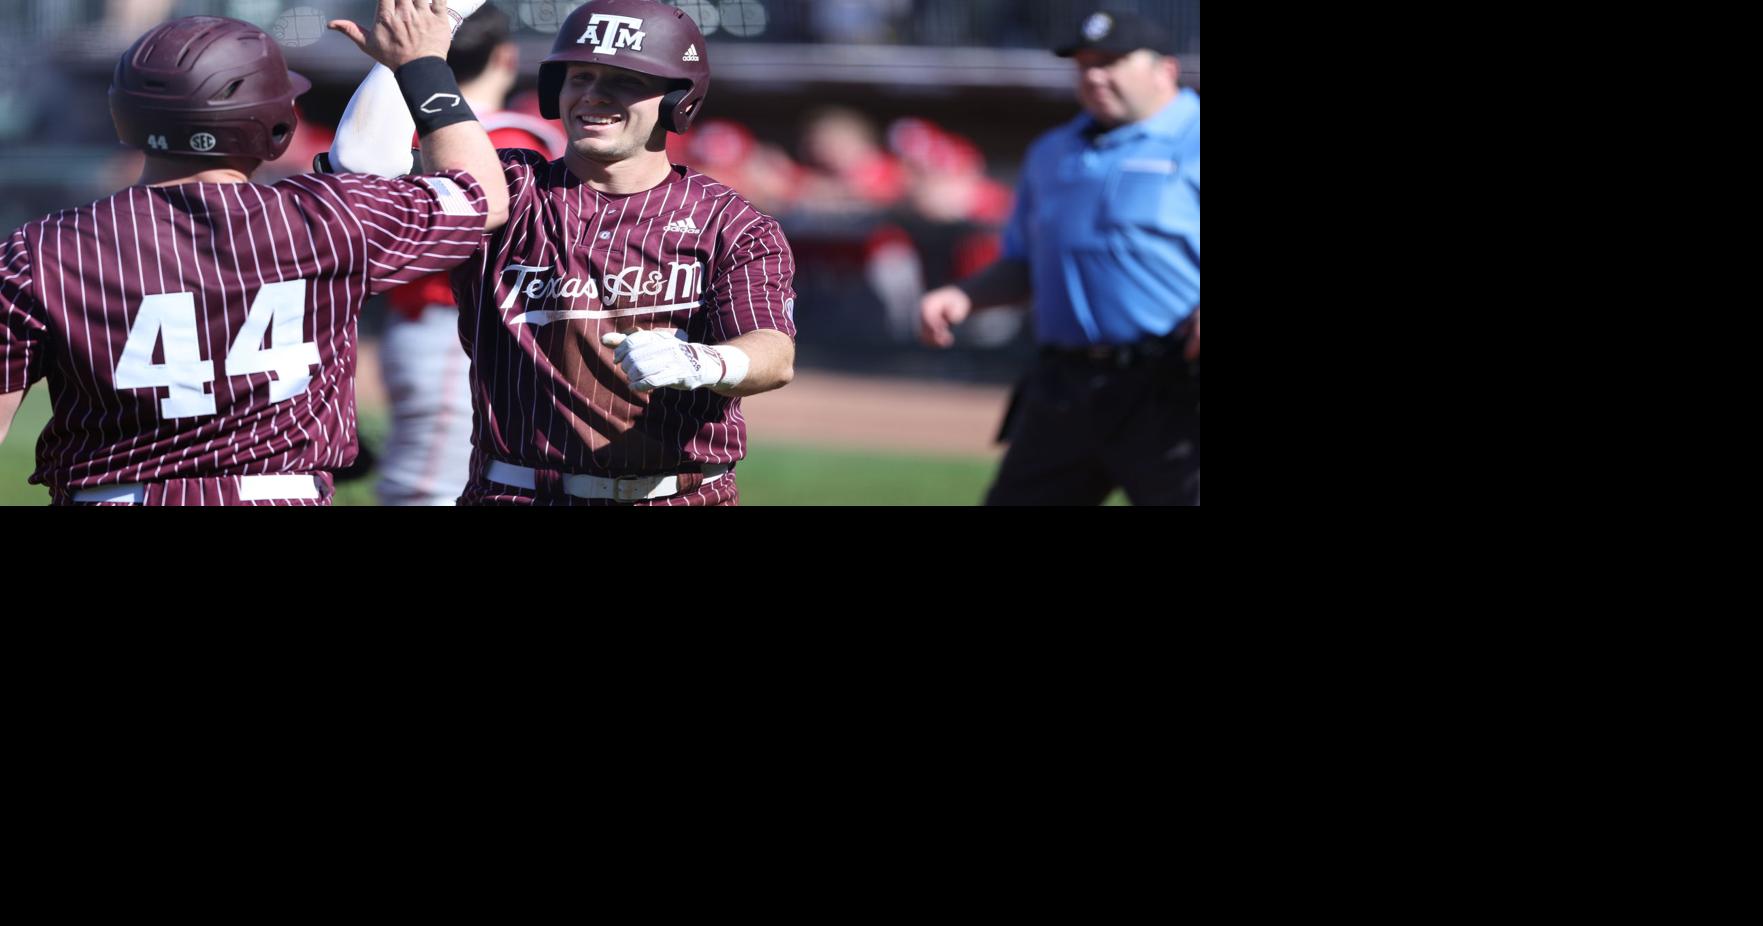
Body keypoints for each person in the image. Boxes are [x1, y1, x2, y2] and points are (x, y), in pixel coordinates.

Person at [0, 1, 508, 505]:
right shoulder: (331, 220)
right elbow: (481, 194)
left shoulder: (39, 251)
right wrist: (421, 65)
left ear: (125, 113)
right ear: (272, 122)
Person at [328, 0, 798, 506]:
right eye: (580, 77)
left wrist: (705, 361)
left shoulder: (729, 221)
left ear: (677, 101)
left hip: (679, 495)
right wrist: (406, 57)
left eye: (625, 81)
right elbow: (361, 164)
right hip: (513, 492)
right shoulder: (509, 187)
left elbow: (773, 353)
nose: (594, 96)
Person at [917, 9, 1200, 506]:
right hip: (1064, 387)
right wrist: (964, 296)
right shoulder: (1052, 152)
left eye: (1111, 61)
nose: (1094, 75)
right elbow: (1025, 263)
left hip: (1173, 384)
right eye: (1084, 63)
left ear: (1165, 69)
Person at [375, 4, 567, 506]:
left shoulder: (400, 135)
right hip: (461, 328)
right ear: (504, 57)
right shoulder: (516, 139)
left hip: (414, 322)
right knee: (427, 491)